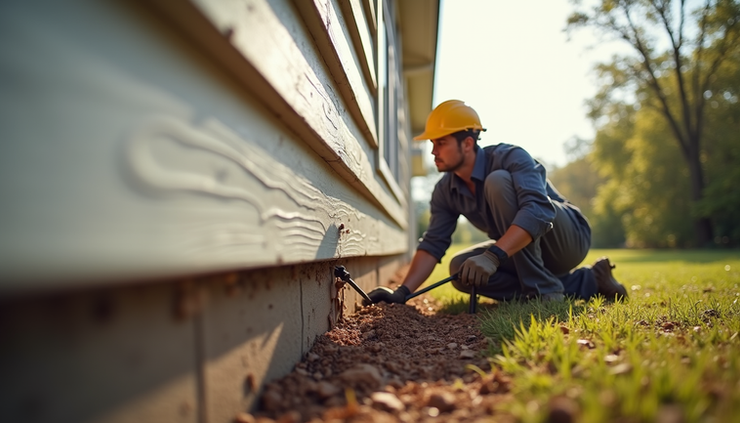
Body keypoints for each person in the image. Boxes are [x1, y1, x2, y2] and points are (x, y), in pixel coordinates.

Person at [367, 100, 627, 305]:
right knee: (461, 269)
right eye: (432, 143)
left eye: (441, 142)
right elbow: (433, 243)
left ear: (467, 143)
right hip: (520, 249)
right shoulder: (445, 190)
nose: (433, 151)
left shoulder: (510, 157)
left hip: (566, 238)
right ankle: (588, 282)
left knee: (498, 181)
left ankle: (544, 292)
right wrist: (402, 292)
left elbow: (538, 212)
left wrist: (492, 256)